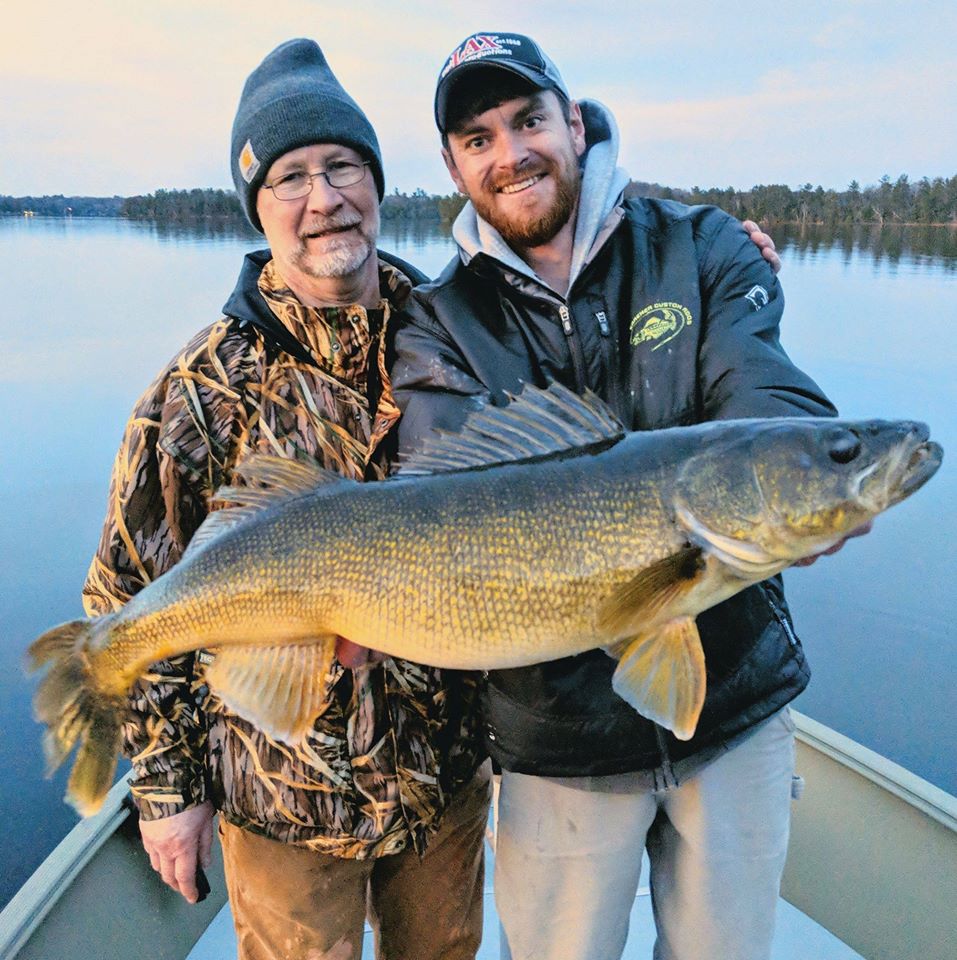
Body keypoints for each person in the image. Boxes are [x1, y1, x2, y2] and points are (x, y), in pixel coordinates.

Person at [391, 31, 863, 960]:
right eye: (478, 138)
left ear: (573, 124)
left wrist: (811, 485)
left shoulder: (701, 243)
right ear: (452, 165)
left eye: (527, 120)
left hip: (733, 705)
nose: (509, 152)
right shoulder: (435, 321)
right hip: (556, 748)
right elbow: (445, 485)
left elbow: (765, 389)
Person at [82, 38, 490, 960]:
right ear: (257, 209)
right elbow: (126, 596)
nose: (324, 199)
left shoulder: (458, 334)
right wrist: (165, 792)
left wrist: (709, 256)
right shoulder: (198, 388)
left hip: (443, 788)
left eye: (342, 166)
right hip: (280, 803)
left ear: (377, 182)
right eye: (290, 178)